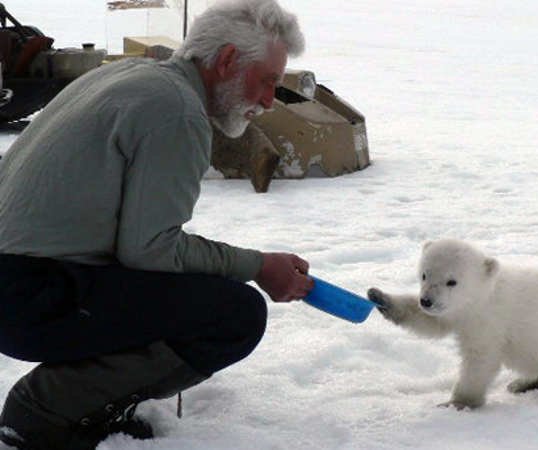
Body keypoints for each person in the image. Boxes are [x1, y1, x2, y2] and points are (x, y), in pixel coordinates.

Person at [0, 0, 313, 448]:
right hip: (28, 297)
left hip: (21, 282)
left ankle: (75, 398)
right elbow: (150, 250)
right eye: (267, 83)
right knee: (234, 314)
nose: (267, 101)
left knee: (178, 291)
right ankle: (48, 409)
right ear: (226, 61)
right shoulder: (178, 112)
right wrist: (258, 265)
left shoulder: (128, 76)